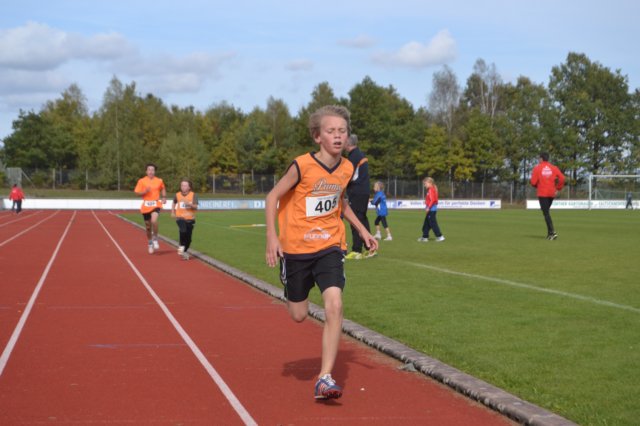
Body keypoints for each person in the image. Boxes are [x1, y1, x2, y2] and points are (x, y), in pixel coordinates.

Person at [265, 105, 378, 400]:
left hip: (330, 245)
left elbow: (340, 202)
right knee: (299, 315)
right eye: (331, 131)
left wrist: (362, 230)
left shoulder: (347, 168)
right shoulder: (301, 166)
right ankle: (293, 288)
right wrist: (272, 238)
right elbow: (272, 196)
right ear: (318, 136)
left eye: (342, 131)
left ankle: (324, 378)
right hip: (296, 248)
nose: (338, 136)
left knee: (335, 305)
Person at [344, 134, 373, 259]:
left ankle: (357, 250)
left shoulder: (353, 157)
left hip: (356, 192)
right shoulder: (360, 154)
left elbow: (347, 175)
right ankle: (370, 247)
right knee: (362, 219)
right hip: (363, 191)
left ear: (348, 143)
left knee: (355, 220)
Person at [530, 152, 565, 240]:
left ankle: (553, 232)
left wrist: (538, 185)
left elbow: (533, 182)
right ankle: (549, 234)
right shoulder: (554, 168)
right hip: (551, 193)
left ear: (541, 158)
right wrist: (558, 188)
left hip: (543, 193)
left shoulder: (537, 168)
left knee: (546, 213)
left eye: (539, 158)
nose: (538, 160)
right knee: (546, 212)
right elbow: (562, 178)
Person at [134, 163, 166, 254]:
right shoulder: (141, 181)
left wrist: (164, 197)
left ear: (154, 171)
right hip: (146, 206)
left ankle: (155, 238)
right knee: (148, 227)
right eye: (149, 170)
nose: (151, 171)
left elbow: (163, 188)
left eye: (152, 170)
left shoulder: (159, 180)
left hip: (156, 204)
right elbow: (137, 193)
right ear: (146, 171)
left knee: (154, 220)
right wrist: (144, 191)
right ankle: (150, 243)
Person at [171, 178, 198, 260]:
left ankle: (184, 251)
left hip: (190, 219)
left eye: (185, 185)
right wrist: (173, 212)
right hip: (180, 217)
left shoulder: (193, 195)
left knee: (188, 239)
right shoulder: (177, 195)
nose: (183, 187)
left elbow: (196, 207)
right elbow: (174, 202)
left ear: (189, 187)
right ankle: (181, 248)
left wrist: (189, 204)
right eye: (182, 185)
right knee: (183, 231)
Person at [418, 177, 445, 242]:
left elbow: (432, 200)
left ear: (430, 183)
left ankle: (440, 236)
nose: (424, 185)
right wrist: (426, 202)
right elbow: (432, 199)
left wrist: (428, 207)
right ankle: (425, 237)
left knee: (433, 224)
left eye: (425, 184)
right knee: (426, 225)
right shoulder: (431, 189)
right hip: (431, 210)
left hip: (431, 210)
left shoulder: (431, 190)